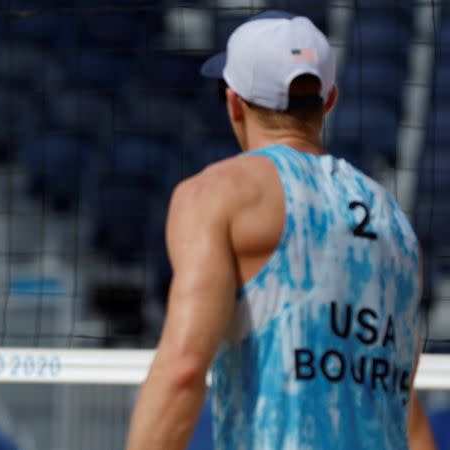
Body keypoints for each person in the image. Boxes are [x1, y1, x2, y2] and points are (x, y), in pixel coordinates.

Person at [125, 11, 437, 450]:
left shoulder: (219, 194)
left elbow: (184, 369)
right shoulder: (396, 226)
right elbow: (405, 408)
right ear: (329, 101)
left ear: (234, 102)